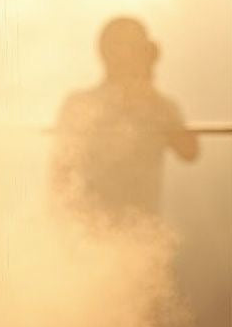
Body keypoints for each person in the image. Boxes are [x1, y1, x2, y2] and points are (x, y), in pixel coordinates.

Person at [52, 17, 198, 221]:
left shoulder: (156, 105)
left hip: (138, 231)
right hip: (91, 229)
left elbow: (189, 152)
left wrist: (147, 87)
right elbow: (60, 171)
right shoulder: (81, 105)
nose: (129, 56)